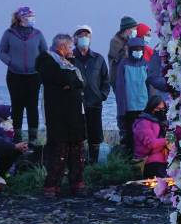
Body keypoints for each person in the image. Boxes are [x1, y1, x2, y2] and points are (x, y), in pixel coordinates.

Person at [37, 34, 86, 197]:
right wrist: (69, 83)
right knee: (59, 151)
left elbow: (78, 82)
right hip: (58, 115)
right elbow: (63, 78)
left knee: (77, 152)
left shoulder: (69, 62)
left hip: (74, 114)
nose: (72, 50)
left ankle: (77, 184)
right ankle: (52, 186)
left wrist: (70, 84)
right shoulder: (47, 60)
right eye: (70, 47)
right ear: (61, 47)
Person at [0, 6, 47, 144]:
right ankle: (17, 136)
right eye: (28, 16)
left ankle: (33, 138)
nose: (31, 18)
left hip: (34, 75)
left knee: (32, 107)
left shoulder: (38, 34)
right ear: (20, 18)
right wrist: (11, 62)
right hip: (15, 75)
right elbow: (1, 52)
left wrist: (40, 66)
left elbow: (45, 52)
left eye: (33, 16)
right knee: (17, 106)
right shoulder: (9, 33)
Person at [115, 37, 170, 155]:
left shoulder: (146, 64)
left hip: (144, 108)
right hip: (129, 109)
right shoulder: (123, 65)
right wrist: (121, 111)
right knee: (129, 138)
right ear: (130, 50)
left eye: (140, 49)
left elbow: (151, 87)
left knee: (145, 137)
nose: (138, 51)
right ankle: (131, 162)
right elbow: (120, 88)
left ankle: (144, 160)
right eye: (135, 49)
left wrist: (152, 106)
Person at [71, 25, 110, 164]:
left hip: (94, 102)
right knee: (78, 136)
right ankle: (79, 164)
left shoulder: (98, 58)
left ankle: (93, 163)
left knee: (95, 136)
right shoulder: (70, 58)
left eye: (86, 35)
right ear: (75, 39)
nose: (84, 38)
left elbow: (106, 79)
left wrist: (103, 95)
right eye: (81, 35)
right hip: (76, 104)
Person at [108, 16, 138, 144]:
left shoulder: (130, 41)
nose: (135, 31)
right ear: (126, 30)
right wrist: (128, 48)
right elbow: (119, 58)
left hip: (131, 80)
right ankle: (124, 135)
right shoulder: (116, 41)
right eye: (133, 29)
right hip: (119, 81)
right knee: (123, 109)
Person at [133, 94, 169, 179]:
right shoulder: (143, 123)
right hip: (148, 161)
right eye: (158, 109)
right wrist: (167, 140)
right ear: (151, 108)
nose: (160, 111)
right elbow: (151, 143)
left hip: (162, 157)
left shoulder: (161, 121)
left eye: (163, 109)